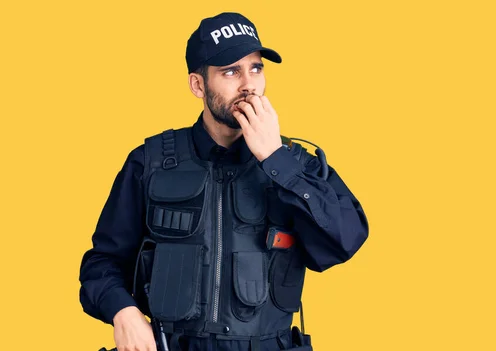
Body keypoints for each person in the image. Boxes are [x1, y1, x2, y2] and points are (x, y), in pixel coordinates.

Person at [79, 12, 369, 351]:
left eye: (256, 68)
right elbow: (101, 264)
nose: (248, 83)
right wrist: (123, 311)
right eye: (230, 71)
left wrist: (277, 162)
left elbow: (344, 241)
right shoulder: (150, 161)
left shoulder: (296, 164)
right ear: (198, 85)